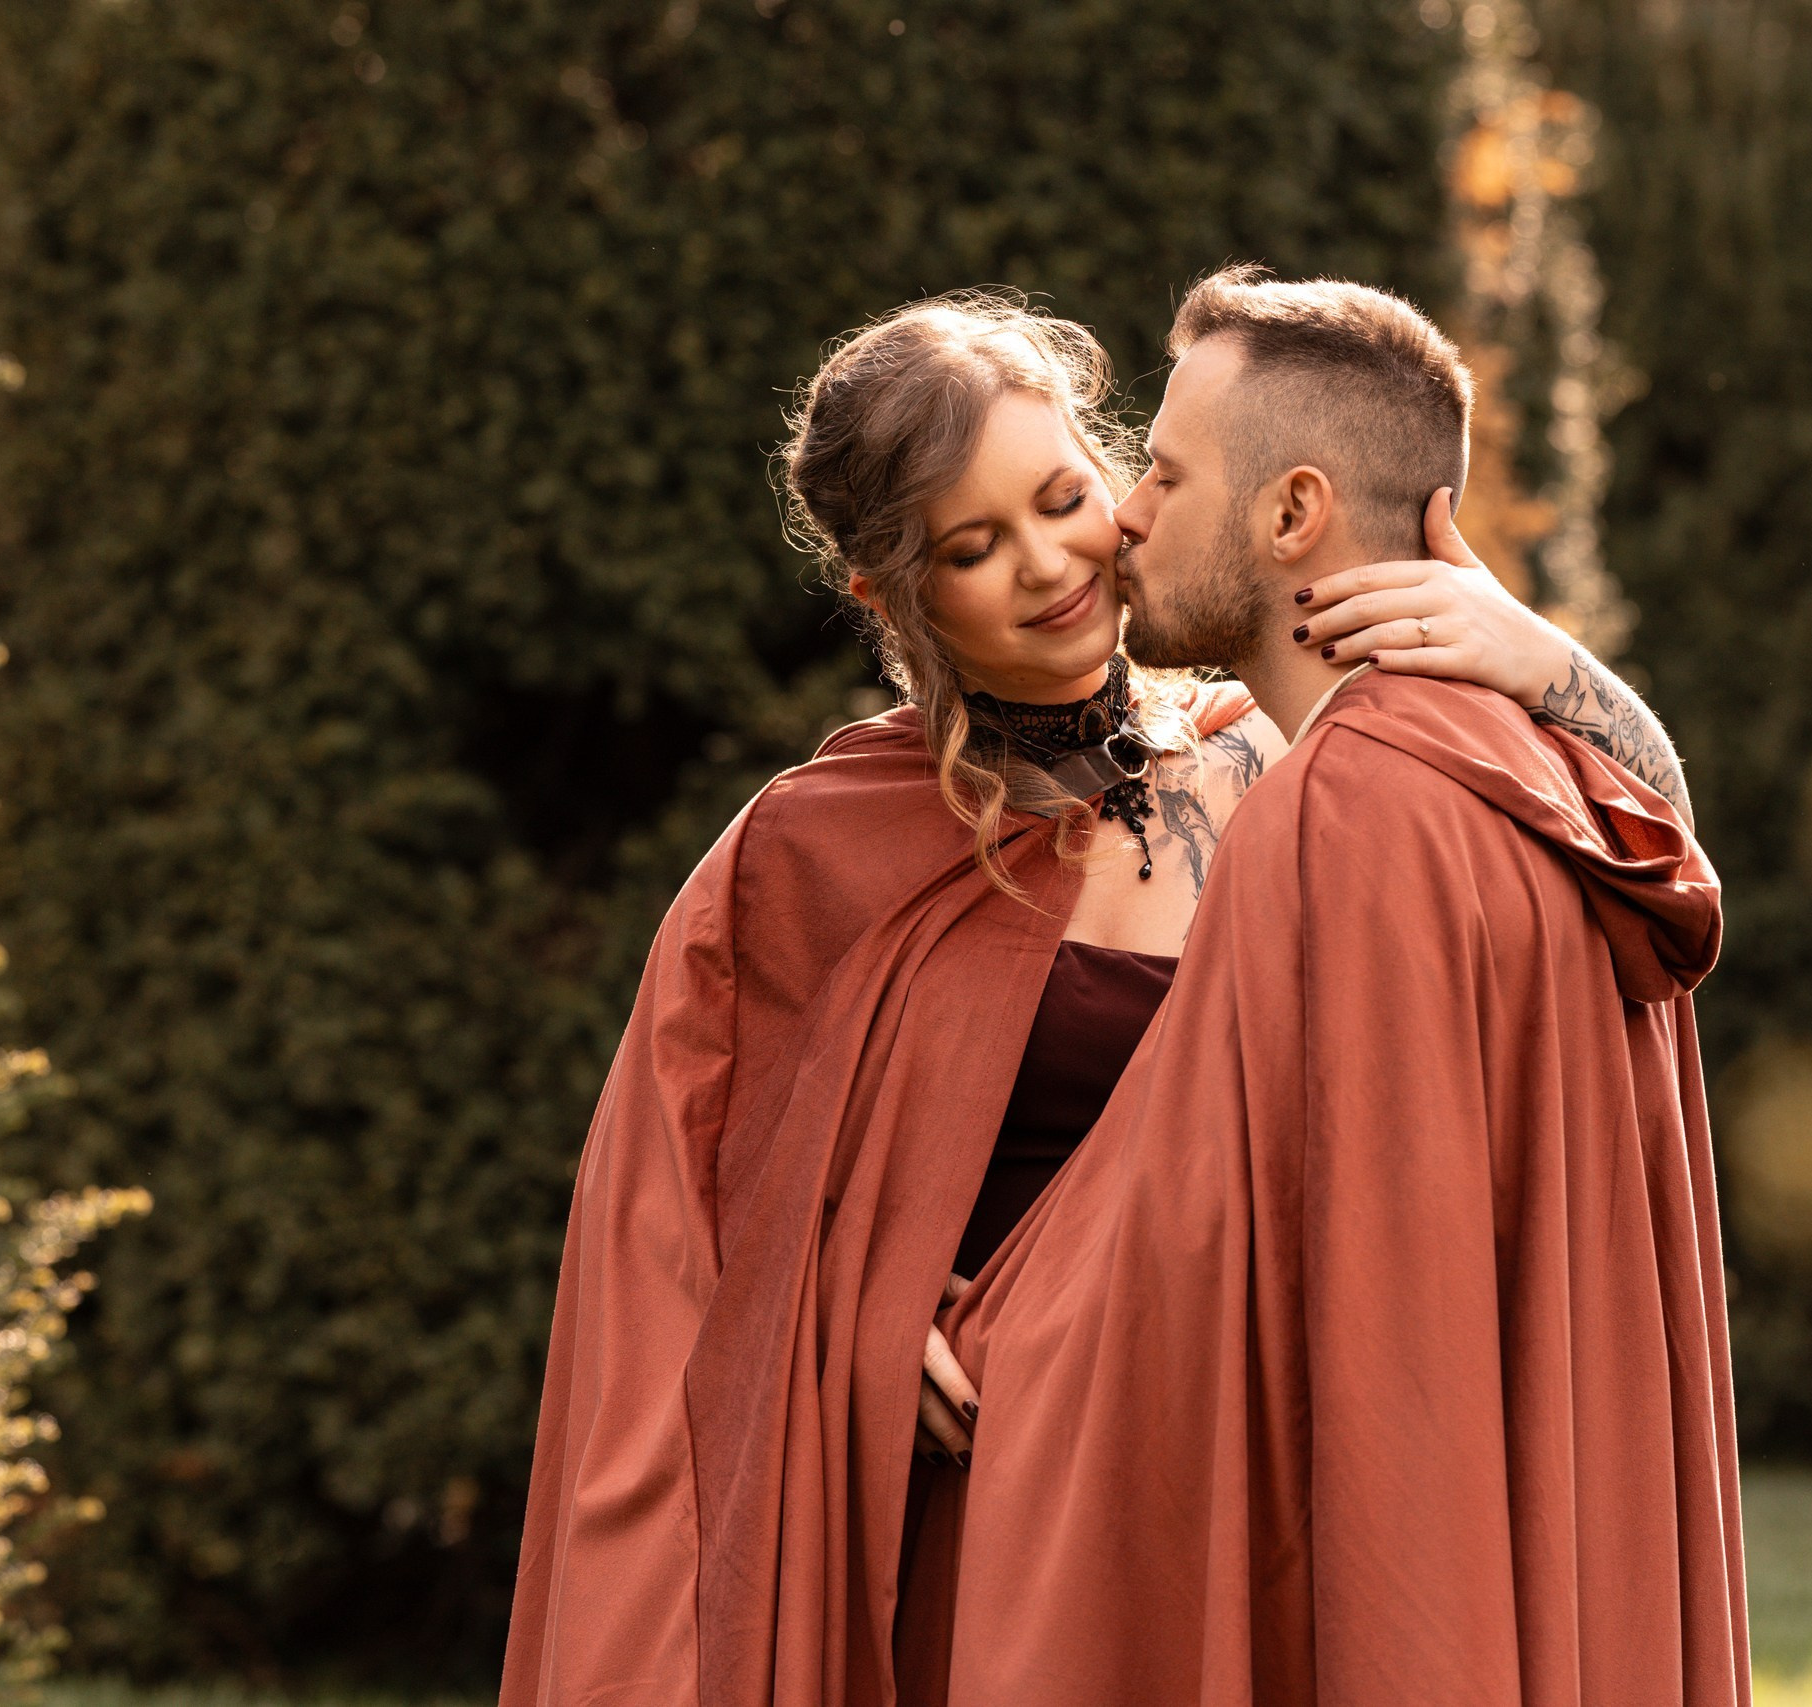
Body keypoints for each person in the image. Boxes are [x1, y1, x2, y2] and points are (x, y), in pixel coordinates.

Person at [497, 290, 1694, 1707]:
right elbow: (681, 1243)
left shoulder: (1302, 763)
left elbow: (1619, 887)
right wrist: (860, 1321)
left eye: (1068, 497)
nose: (1051, 563)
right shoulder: (811, 853)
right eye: (971, 548)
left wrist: (1549, 662)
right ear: (892, 597)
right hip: (997, 1526)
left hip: (1259, 1466)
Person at [934, 269, 1747, 1706]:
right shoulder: (1550, 769)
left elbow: (1181, 1235)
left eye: (1165, 477)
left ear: (1292, 512)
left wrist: (946, 1327)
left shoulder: (1335, 815)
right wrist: (1563, 672)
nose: (1123, 517)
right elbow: (1676, 860)